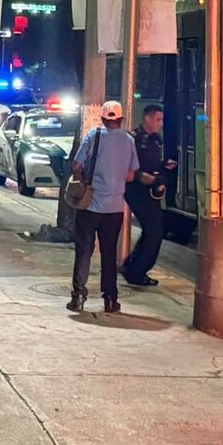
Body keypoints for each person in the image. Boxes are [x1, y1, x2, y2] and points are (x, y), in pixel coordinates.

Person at [67, 101, 140, 313]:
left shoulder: (93, 136)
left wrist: (85, 176)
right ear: (121, 119)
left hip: (90, 204)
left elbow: (77, 164)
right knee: (109, 254)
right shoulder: (129, 140)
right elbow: (131, 175)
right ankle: (110, 299)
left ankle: (78, 296)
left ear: (102, 119)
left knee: (84, 250)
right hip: (115, 208)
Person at [121, 104, 177, 286]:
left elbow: (153, 164)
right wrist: (144, 177)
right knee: (154, 231)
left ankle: (133, 267)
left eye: (162, 120)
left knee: (152, 230)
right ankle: (136, 272)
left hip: (152, 190)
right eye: (158, 120)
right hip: (136, 190)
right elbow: (126, 168)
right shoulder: (133, 139)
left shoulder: (156, 140)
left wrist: (164, 165)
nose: (161, 124)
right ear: (147, 118)